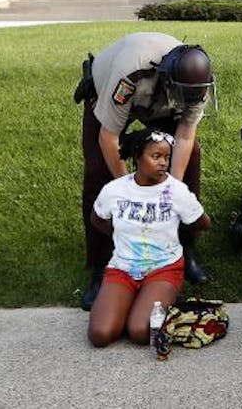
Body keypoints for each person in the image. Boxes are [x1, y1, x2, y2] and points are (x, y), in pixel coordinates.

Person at [76, 32, 215, 309]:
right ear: (167, 79)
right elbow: (109, 138)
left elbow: (185, 137)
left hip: (163, 101)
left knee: (193, 159)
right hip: (108, 96)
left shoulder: (197, 84)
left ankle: (184, 249)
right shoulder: (130, 75)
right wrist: (130, 189)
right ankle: (101, 267)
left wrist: (170, 189)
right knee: (97, 173)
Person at [87, 128, 211, 347]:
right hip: (123, 268)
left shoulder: (176, 191)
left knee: (141, 332)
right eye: (156, 156)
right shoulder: (115, 190)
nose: (163, 162)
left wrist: (173, 236)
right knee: (100, 335)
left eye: (166, 157)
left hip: (163, 268)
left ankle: (145, 301)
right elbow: (97, 219)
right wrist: (117, 234)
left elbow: (202, 222)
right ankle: (130, 301)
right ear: (136, 157)